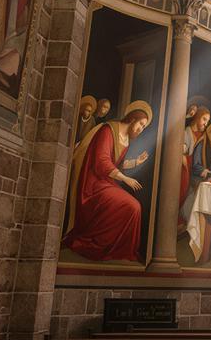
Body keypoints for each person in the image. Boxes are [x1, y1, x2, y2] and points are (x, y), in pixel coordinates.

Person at [61, 101, 153, 262]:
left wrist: (135, 162)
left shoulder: (125, 139)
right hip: (93, 184)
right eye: (141, 124)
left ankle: (119, 249)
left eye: (144, 127)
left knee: (134, 207)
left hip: (106, 182)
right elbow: (102, 162)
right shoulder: (108, 130)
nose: (140, 129)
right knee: (133, 206)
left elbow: (116, 164)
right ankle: (102, 245)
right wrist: (125, 179)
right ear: (132, 119)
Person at [181, 119, 211, 221]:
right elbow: (195, 163)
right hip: (199, 177)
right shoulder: (203, 142)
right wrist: (203, 170)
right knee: (193, 203)